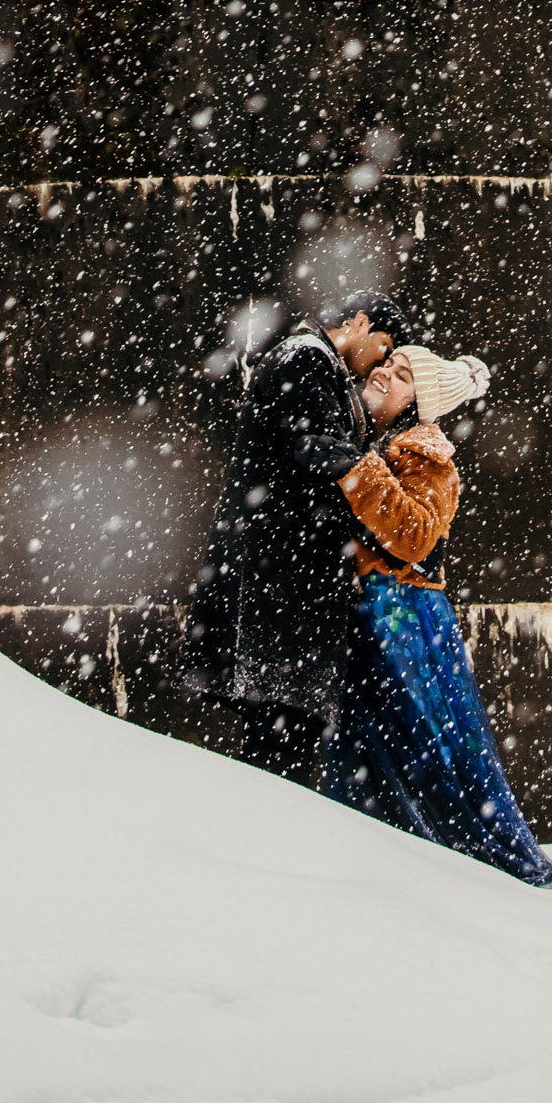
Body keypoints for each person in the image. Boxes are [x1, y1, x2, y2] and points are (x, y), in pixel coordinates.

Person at [321, 343, 552, 906]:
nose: (384, 373)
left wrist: (357, 470)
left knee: (427, 751)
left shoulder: (427, 456)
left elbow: (415, 535)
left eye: (403, 376)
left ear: (417, 405)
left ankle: (437, 869)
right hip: (384, 620)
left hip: (404, 625)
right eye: (389, 364)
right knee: (379, 749)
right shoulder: (385, 446)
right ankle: (376, 859)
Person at [180, 292, 409, 782]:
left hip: (284, 583)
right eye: (384, 347)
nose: (382, 362)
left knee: (281, 739)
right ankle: (265, 850)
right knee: (280, 745)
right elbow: (316, 449)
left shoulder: (311, 363)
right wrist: (383, 493)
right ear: (361, 323)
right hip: (281, 585)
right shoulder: (306, 358)